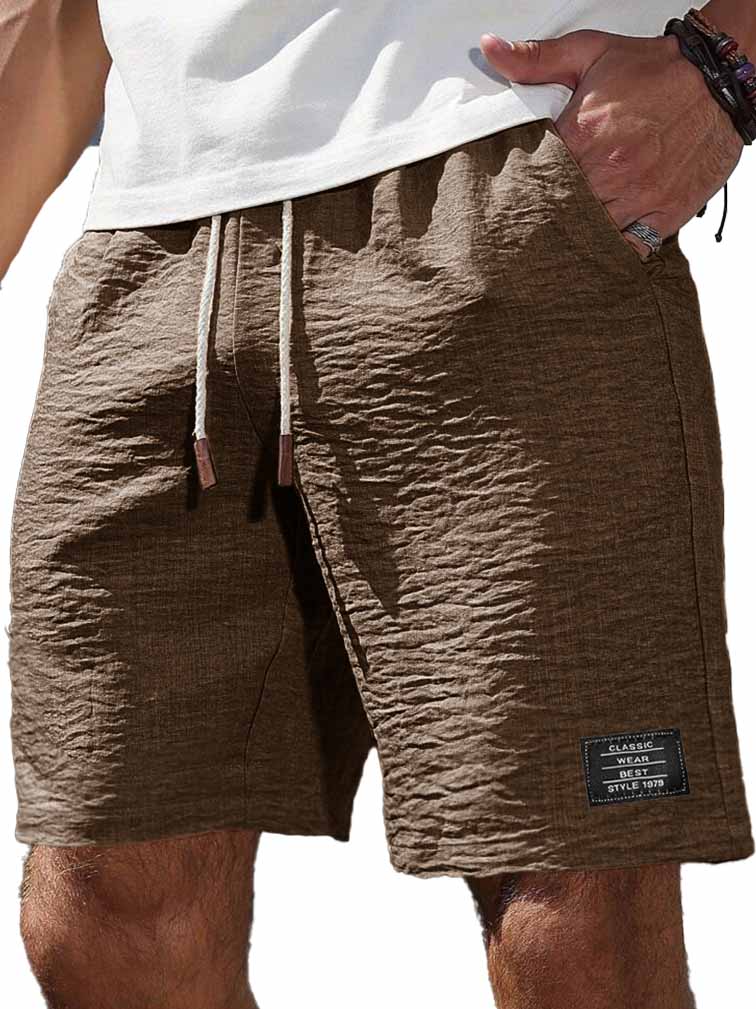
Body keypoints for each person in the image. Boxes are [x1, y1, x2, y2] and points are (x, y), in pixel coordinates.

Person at [2, 2, 754, 1007]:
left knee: (573, 925)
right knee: (101, 905)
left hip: (496, 173)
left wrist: (725, 66)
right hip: (153, 248)